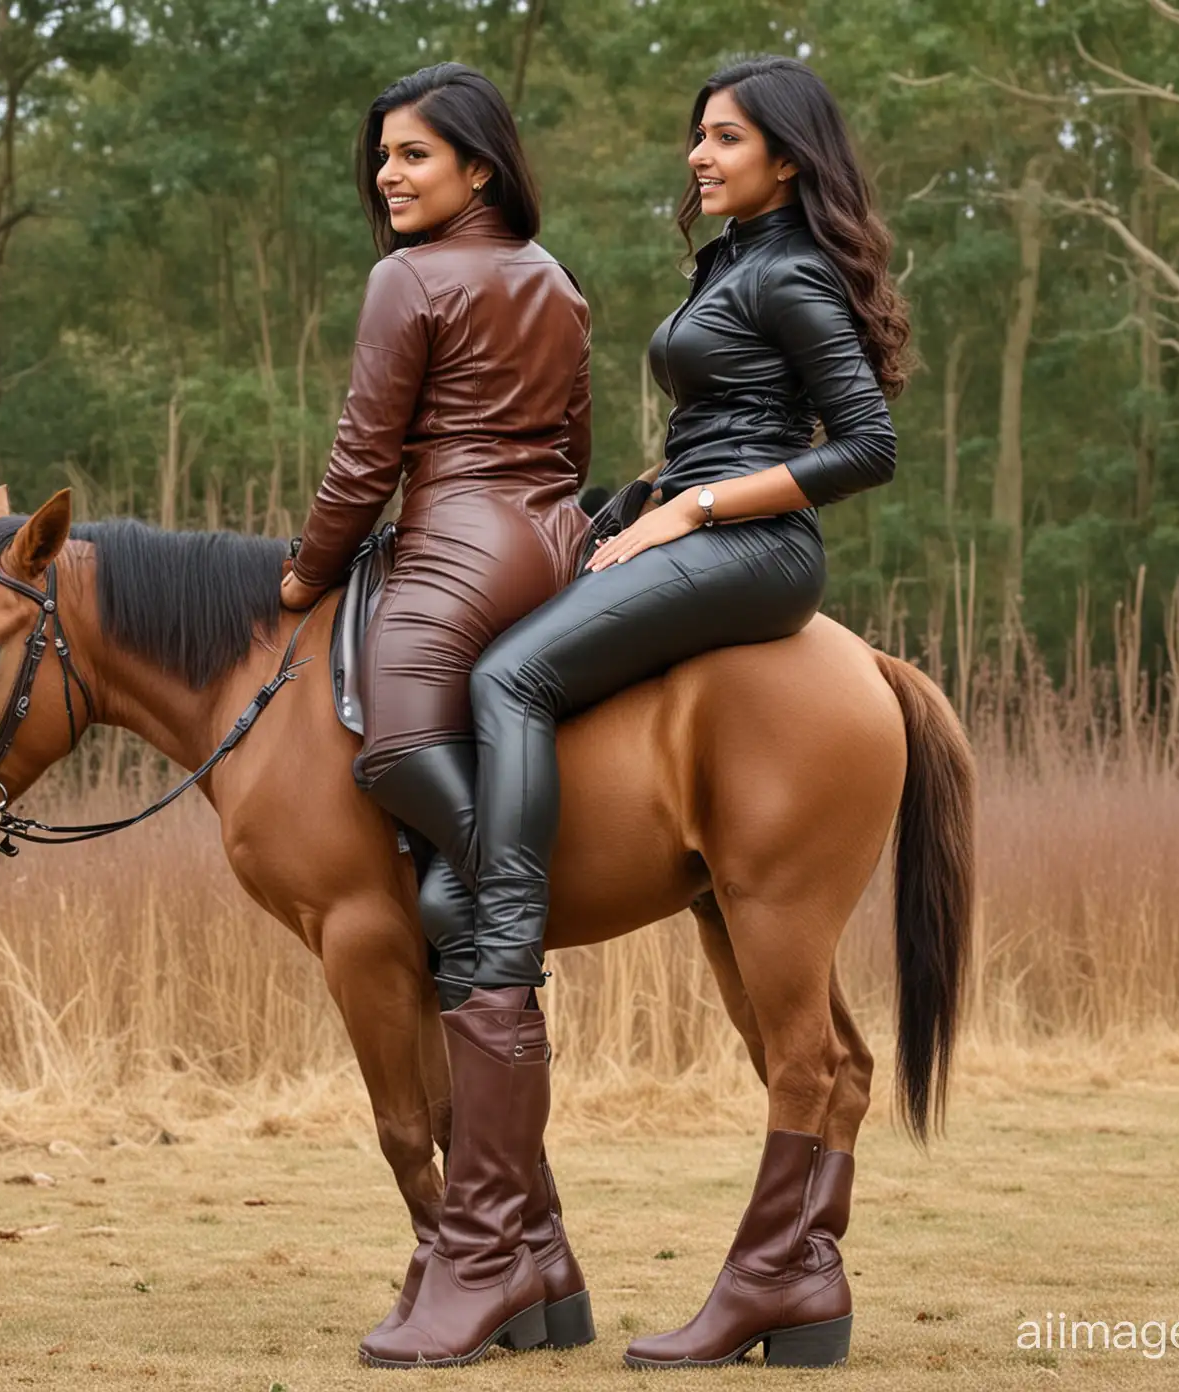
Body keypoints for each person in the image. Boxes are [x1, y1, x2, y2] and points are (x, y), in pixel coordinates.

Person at [464, 56, 912, 1369]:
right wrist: (609, 507)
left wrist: (692, 508)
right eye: (695, 137)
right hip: (679, 523)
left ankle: (500, 927)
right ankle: (796, 1275)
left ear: (787, 156)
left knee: (506, 679)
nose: (698, 155)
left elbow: (867, 446)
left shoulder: (791, 272)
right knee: (493, 638)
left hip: (751, 551)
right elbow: (719, 420)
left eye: (724, 137)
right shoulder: (732, 263)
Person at [276, 63, 592, 1366]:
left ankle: (485, 893)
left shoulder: (407, 282)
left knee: (396, 743)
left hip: (458, 533)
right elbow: (570, 437)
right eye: (383, 159)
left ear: (478, 166)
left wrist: (305, 571)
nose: (389, 177)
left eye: (415, 156)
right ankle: (545, 1266)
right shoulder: (557, 278)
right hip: (552, 532)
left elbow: (365, 450)